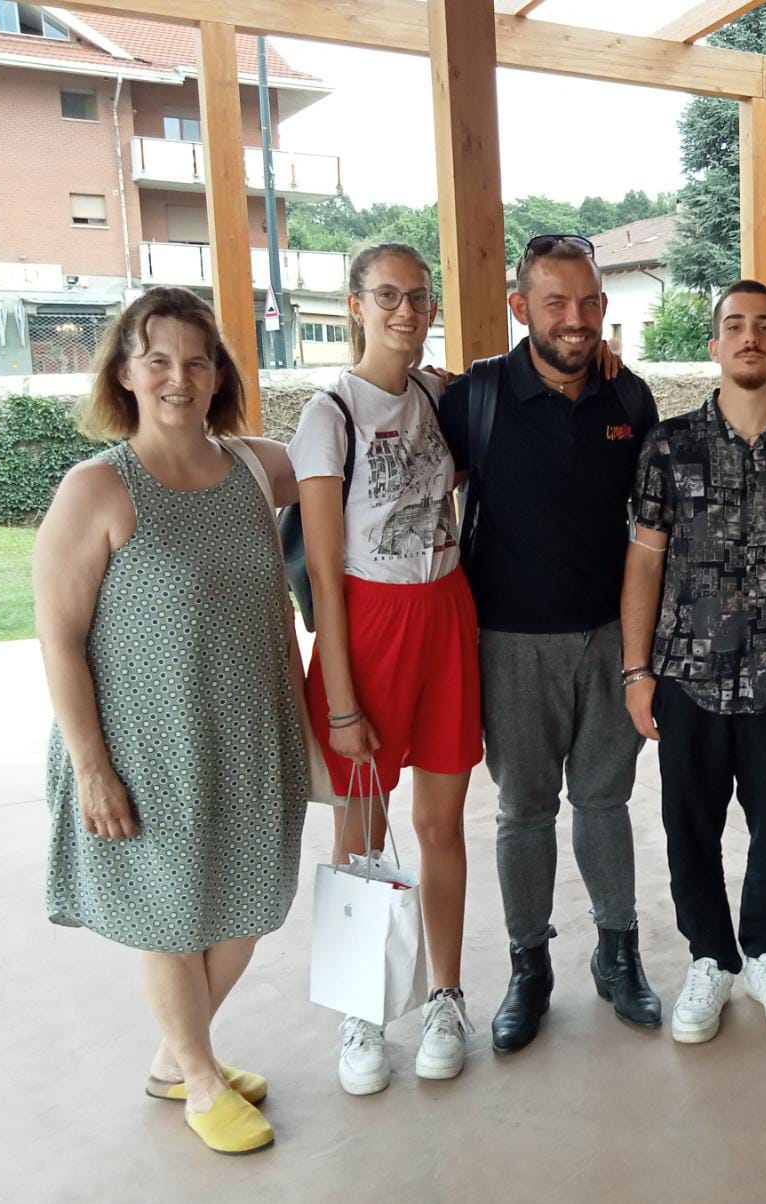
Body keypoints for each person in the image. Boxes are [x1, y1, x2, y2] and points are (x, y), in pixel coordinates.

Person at [36, 287, 307, 1155]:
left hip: (248, 736)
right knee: (172, 913)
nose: (178, 377)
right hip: (145, 750)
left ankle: (172, 1055)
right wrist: (90, 765)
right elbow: (59, 640)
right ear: (124, 373)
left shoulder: (254, 469)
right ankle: (196, 1079)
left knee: (248, 908)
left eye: (197, 360)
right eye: (157, 359)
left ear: (219, 373)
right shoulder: (96, 489)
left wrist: (450, 396)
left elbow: (359, 455)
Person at [437, 234, 662, 1052]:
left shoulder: (630, 401)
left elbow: (653, 532)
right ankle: (529, 969)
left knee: (605, 802)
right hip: (509, 643)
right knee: (523, 809)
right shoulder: (476, 399)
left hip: (609, 639)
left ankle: (619, 953)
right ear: (519, 305)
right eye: (556, 302)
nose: (575, 320)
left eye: (589, 303)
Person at [287, 242, 482, 1094]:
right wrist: (338, 702)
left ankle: (446, 993)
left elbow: (522, 379)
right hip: (367, 628)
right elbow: (325, 573)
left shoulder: (441, 395)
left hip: (445, 616)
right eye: (388, 296)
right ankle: (360, 1013)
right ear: (355, 303)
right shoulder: (329, 413)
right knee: (359, 834)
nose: (407, 310)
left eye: (419, 296)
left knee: (441, 826)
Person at [621, 280, 766, 1044]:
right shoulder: (668, 447)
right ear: (714, 345)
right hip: (688, 681)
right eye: (735, 327)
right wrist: (636, 669)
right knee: (690, 832)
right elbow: (645, 562)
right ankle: (710, 958)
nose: (750, 338)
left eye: (765, 327)